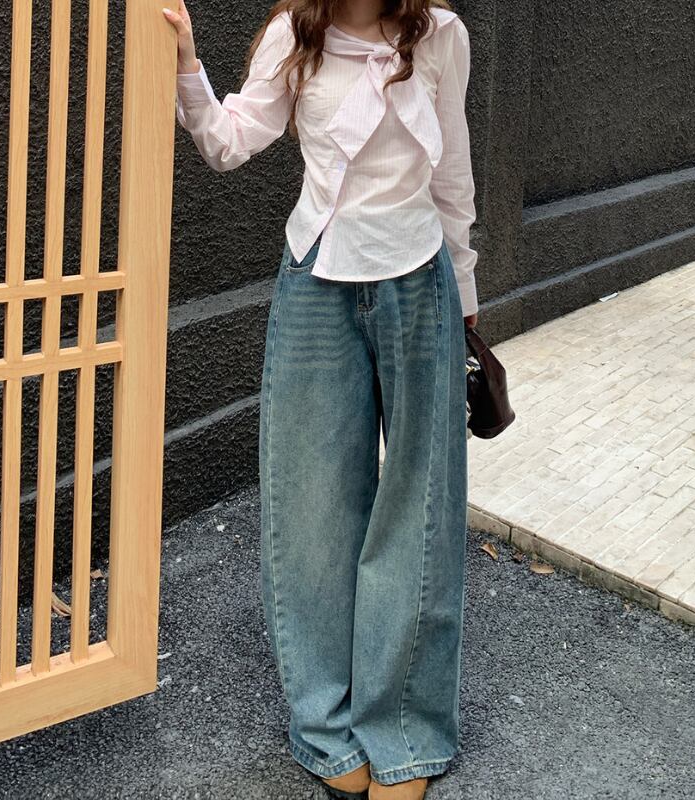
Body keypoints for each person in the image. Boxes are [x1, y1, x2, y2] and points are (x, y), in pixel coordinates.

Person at [164, 1, 477, 797]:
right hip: (317, 283)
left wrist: (467, 293)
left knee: (420, 509)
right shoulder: (292, 35)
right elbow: (227, 141)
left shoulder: (441, 35)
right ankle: (326, 726)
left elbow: (452, 169)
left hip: (420, 280)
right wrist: (188, 64)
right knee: (311, 507)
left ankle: (404, 730)